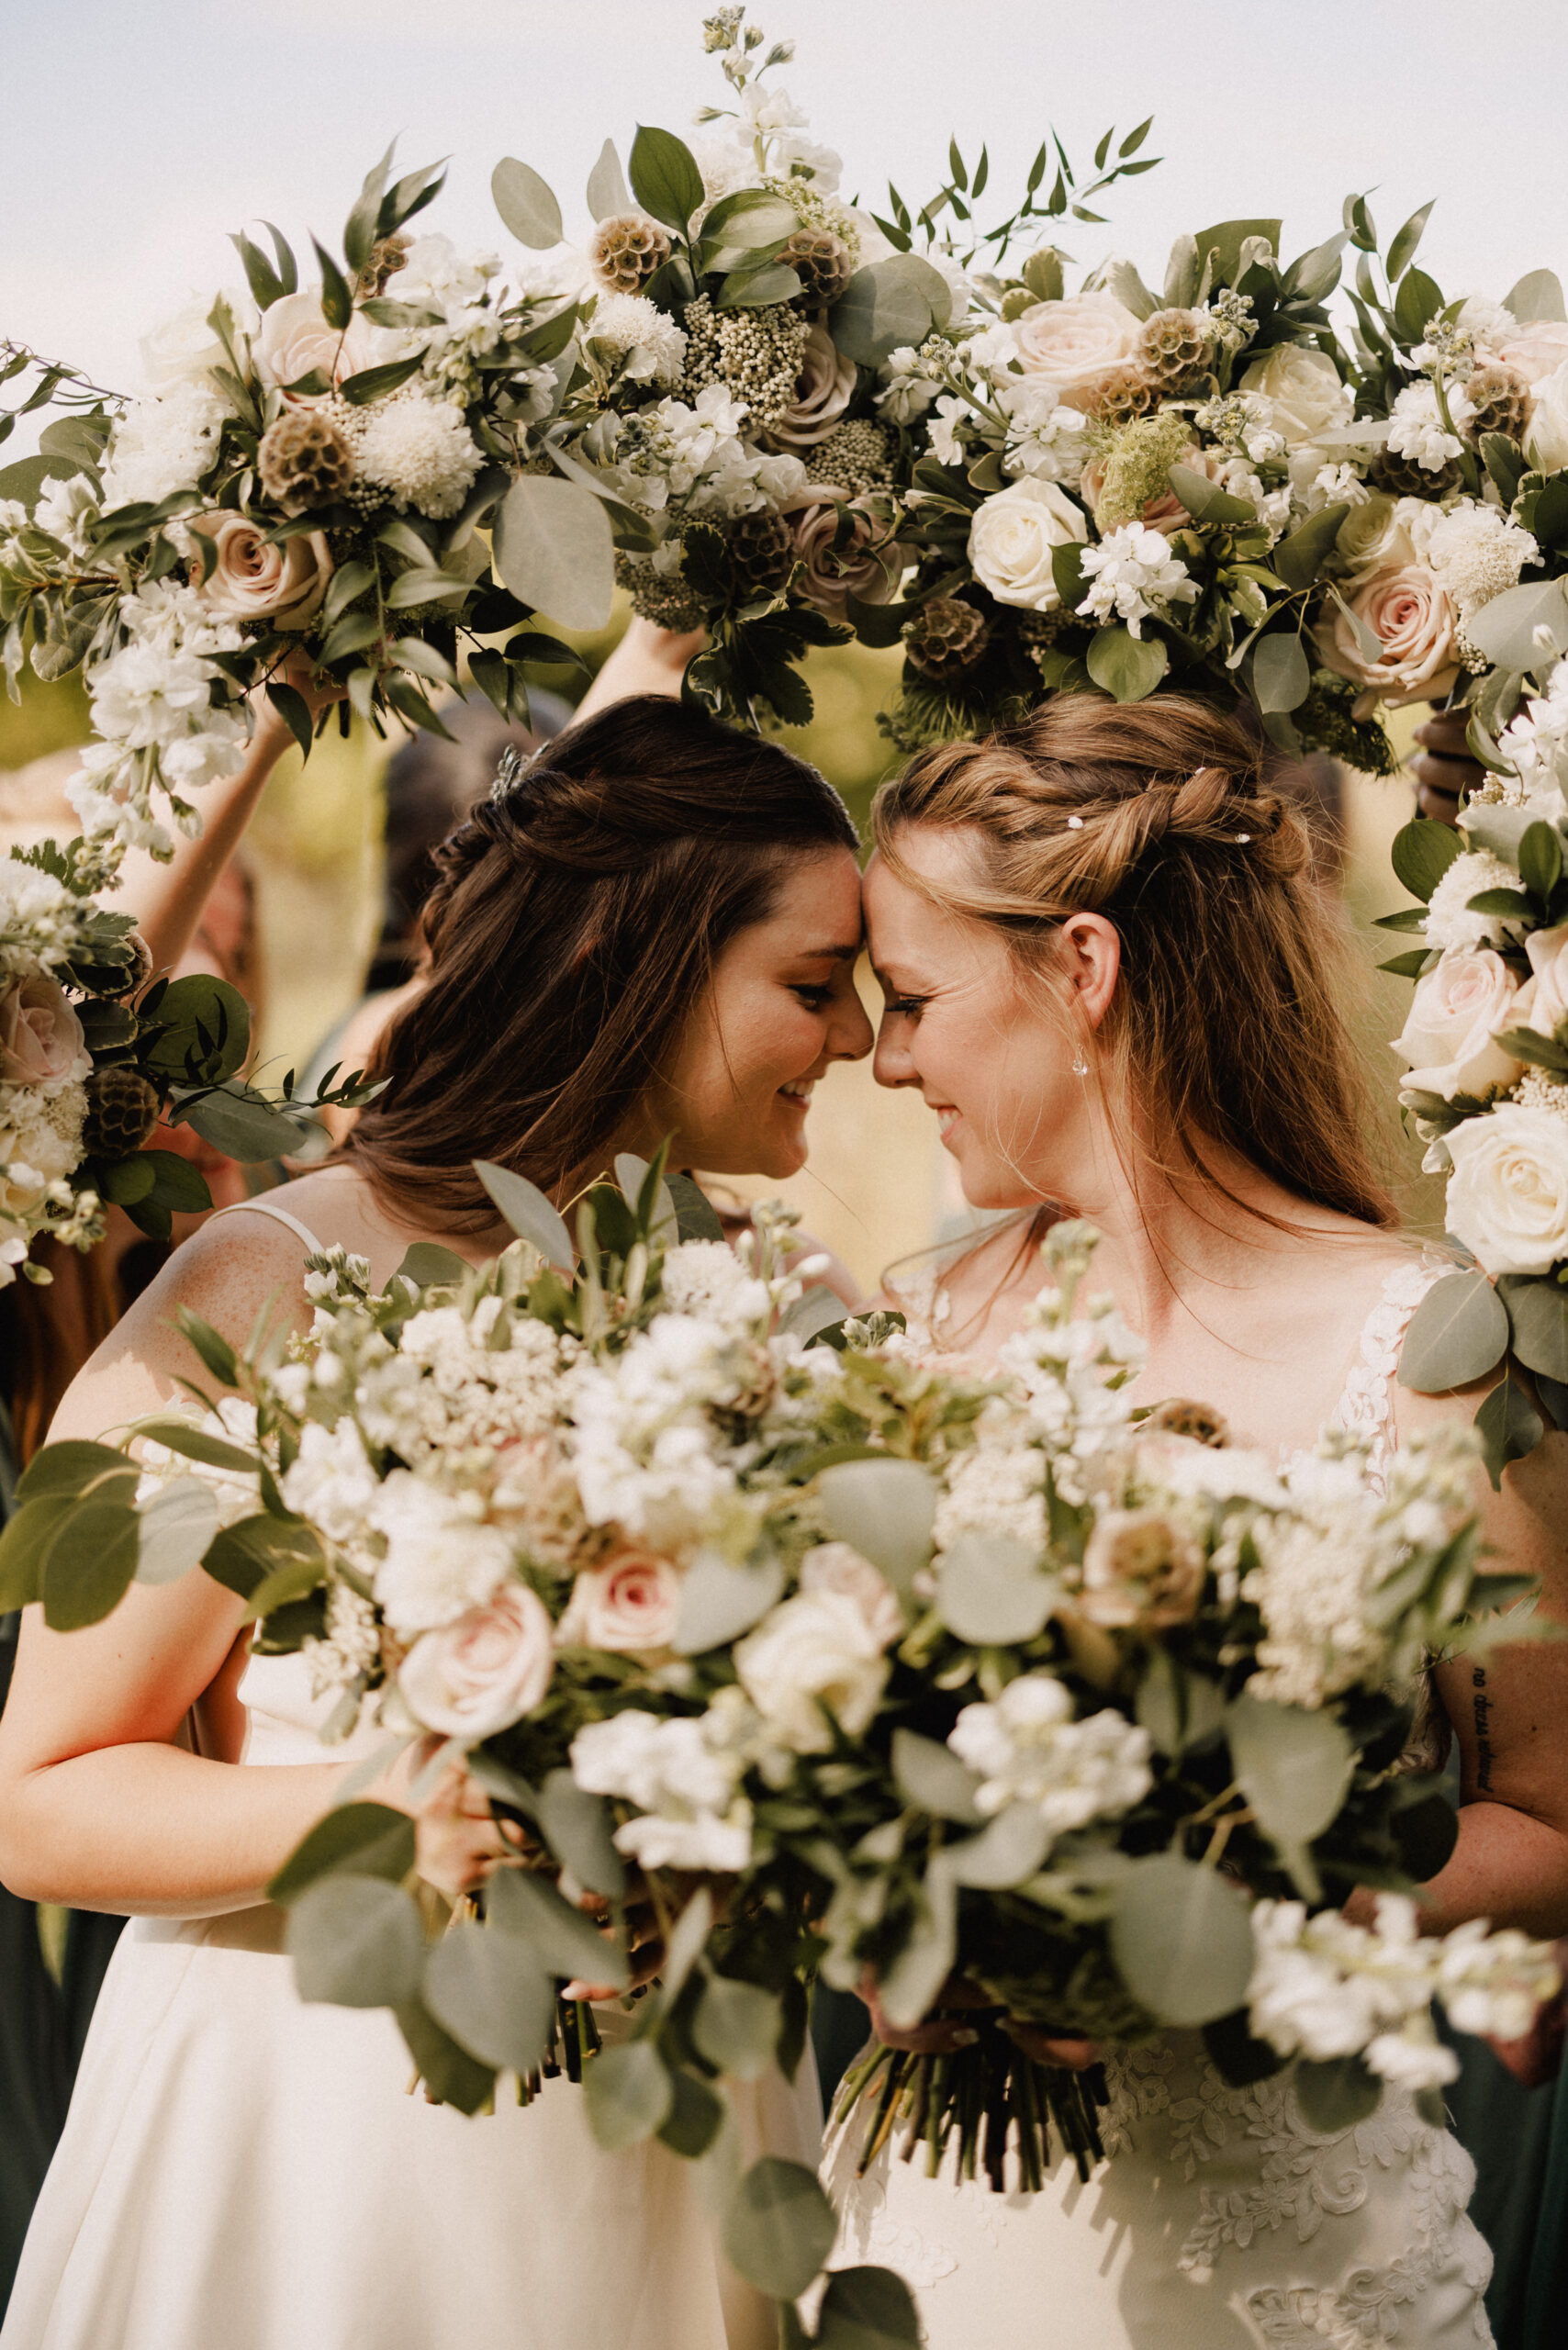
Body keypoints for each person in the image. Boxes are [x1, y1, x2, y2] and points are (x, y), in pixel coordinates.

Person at [0, 694, 872, 2350]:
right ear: (644, 971)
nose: (855, 1042)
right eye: (814, 989)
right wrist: (386, 1809)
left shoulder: (774, 1304)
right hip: (324, 2122)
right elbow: (38, 1799)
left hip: (676, 2122)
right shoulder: (269, 1281)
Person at [826, 691, 1568, 2349]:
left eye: (914, 999)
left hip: (1304, 2262)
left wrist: (1232, 1929)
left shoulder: (1432, 1353)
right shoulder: (912, 1342)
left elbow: (1552, 1823)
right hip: (946, 2251)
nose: (885, 1057)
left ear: (1081, 971)